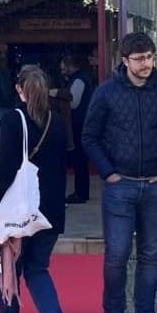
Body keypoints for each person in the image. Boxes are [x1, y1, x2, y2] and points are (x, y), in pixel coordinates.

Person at [83, 31, 157, 313]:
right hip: (120, 187)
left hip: (155, 187)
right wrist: (108, 172)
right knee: (116, 256)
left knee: (151, 256)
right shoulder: (106, 93)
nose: (147, 63)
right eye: (140, 58)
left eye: (150, 57)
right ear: (125, 61)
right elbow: (90, 135)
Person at [0, 64, 73, 313]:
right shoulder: (57, 122)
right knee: (37, 268)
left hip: (19, 211)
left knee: (10, 269)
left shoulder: (12, 121)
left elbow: (5, 171)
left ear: (19, 89)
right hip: (50, 210)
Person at [59, 53, 95, 203]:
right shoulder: (79, 79)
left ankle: (81, 193)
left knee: (79, 158)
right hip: (81, 122)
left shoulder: (78, 80)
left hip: (79, 123)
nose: (62, 71)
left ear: (69, 66)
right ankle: (81, 191)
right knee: (80, 159)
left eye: (63, 67)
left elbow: (73, 103)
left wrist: (60, 97)